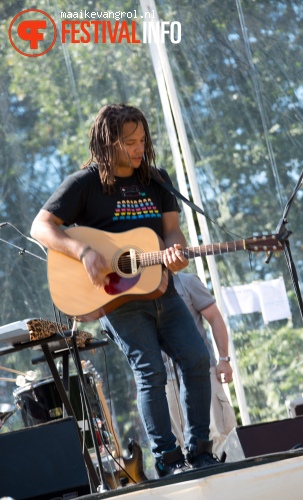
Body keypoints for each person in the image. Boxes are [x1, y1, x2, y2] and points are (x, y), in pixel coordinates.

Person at [30, 103, 219, 478]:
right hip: (115, 300)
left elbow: (172, 232)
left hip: (162, 288)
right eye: (129, 141)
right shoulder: (84, 183)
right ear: (108, 142)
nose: (138, 148)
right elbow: (41, 226)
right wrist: (83, 251)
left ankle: (200, 452)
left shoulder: (157, 180)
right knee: (150, 372)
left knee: (197, 359)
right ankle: (168, 460)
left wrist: (177, 250)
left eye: (142, 139)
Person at [163, 272, 237, 460]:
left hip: (202, 373)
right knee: (180, 448)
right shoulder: (136, 291)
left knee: (220, 438)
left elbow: (215, 318)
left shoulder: (186, 281)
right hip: (166, 381)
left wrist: (224, 360)